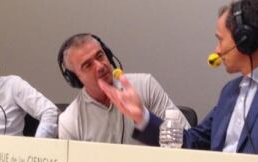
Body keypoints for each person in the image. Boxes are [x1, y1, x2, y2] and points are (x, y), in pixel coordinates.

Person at [101, 0, 258, 154]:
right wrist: (142, 117)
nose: (216, 50)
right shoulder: (230, 92)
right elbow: (192, 142)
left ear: (244, 39)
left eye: (220, 39)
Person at [57, 33, 189, 144]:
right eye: (88, 65)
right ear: (76, 77)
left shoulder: (146, 85)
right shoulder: (70, 121)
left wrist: (143, 117)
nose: (100, 66)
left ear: (108, 56)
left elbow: (185, 137)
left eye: (100, 56)